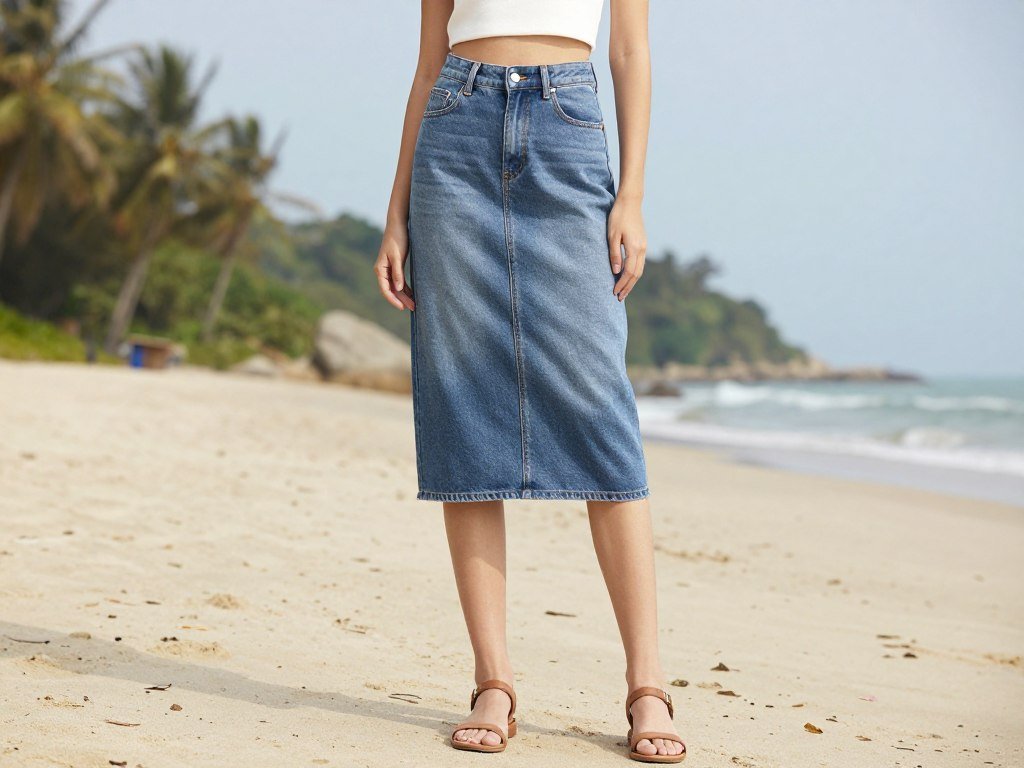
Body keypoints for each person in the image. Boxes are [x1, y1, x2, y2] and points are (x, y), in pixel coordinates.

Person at [375, 0, 686, 761]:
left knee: (599, 413)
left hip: (567, 121)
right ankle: (494, 680)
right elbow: (425, 68)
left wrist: (633, 195)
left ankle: (648, 685)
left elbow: (630, 54)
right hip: (455, 126)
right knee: (462, 402)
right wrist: (395, 214)